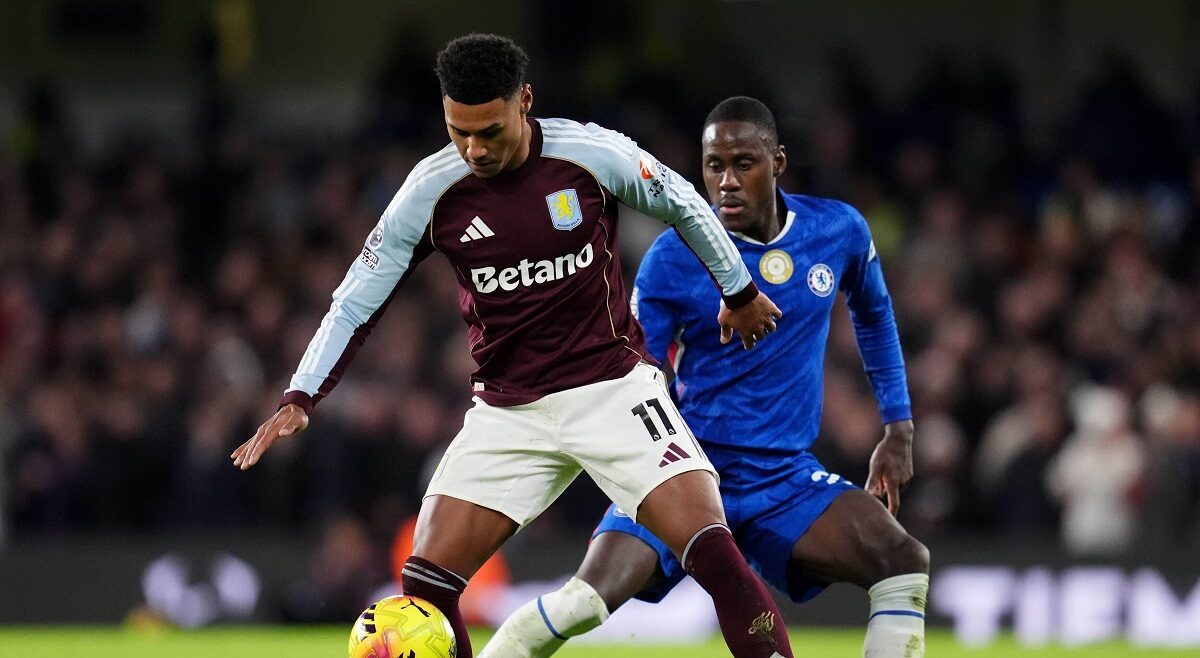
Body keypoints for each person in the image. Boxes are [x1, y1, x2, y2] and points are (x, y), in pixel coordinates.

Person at [231, 36, 792, 658]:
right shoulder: (431, 191)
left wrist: (738, 291)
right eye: (457, 132)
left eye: (490, 132)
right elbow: (358, 297)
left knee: (711, 548)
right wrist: (302, 394)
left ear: (525, 102)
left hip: (611, 388)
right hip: (509, 411)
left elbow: (684, 202)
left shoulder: (589, 154)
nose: (474, 150)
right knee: (423, 587)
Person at [480, 96, 930, 658]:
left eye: (744, 163)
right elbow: (639, 363)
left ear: (778, 162)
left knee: (904, 563)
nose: (726, 182)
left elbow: (875, 313)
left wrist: (898, 427)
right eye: (714, 166)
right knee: (584, 603)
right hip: (683, 473)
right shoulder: (676, 256)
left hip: (781, 478)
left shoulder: (837, 231)